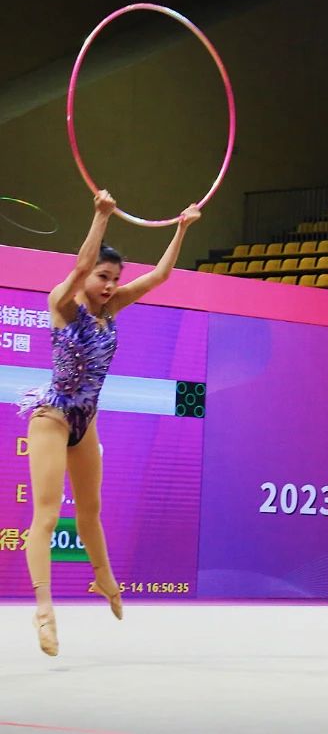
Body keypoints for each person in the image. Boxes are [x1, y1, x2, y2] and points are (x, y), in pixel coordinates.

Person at [19, 190, 200, 656]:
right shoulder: (63, 303)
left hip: (87, 420)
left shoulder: (110, 309)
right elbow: (80, 266)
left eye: (114, 278)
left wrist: (182, 228)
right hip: (53, 416)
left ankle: (104, 579)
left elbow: (160, 276)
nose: (108, 285)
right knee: (46, 515)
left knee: (90, 511)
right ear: (86, 275)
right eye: (103, 276)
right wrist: (100, 217)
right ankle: (44, 610)